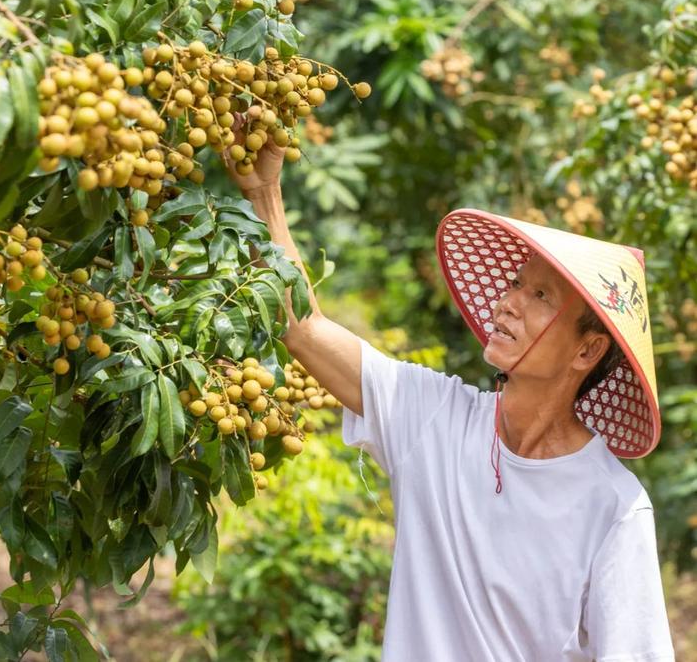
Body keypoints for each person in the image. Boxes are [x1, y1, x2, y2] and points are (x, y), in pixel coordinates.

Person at [224, 128, 676, 662]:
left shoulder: (613, 507)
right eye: (515, 284)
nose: (508, 304)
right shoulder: (434, 419)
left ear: (587, 351)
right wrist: (265, 192)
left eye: (539, 296)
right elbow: (301, 328)